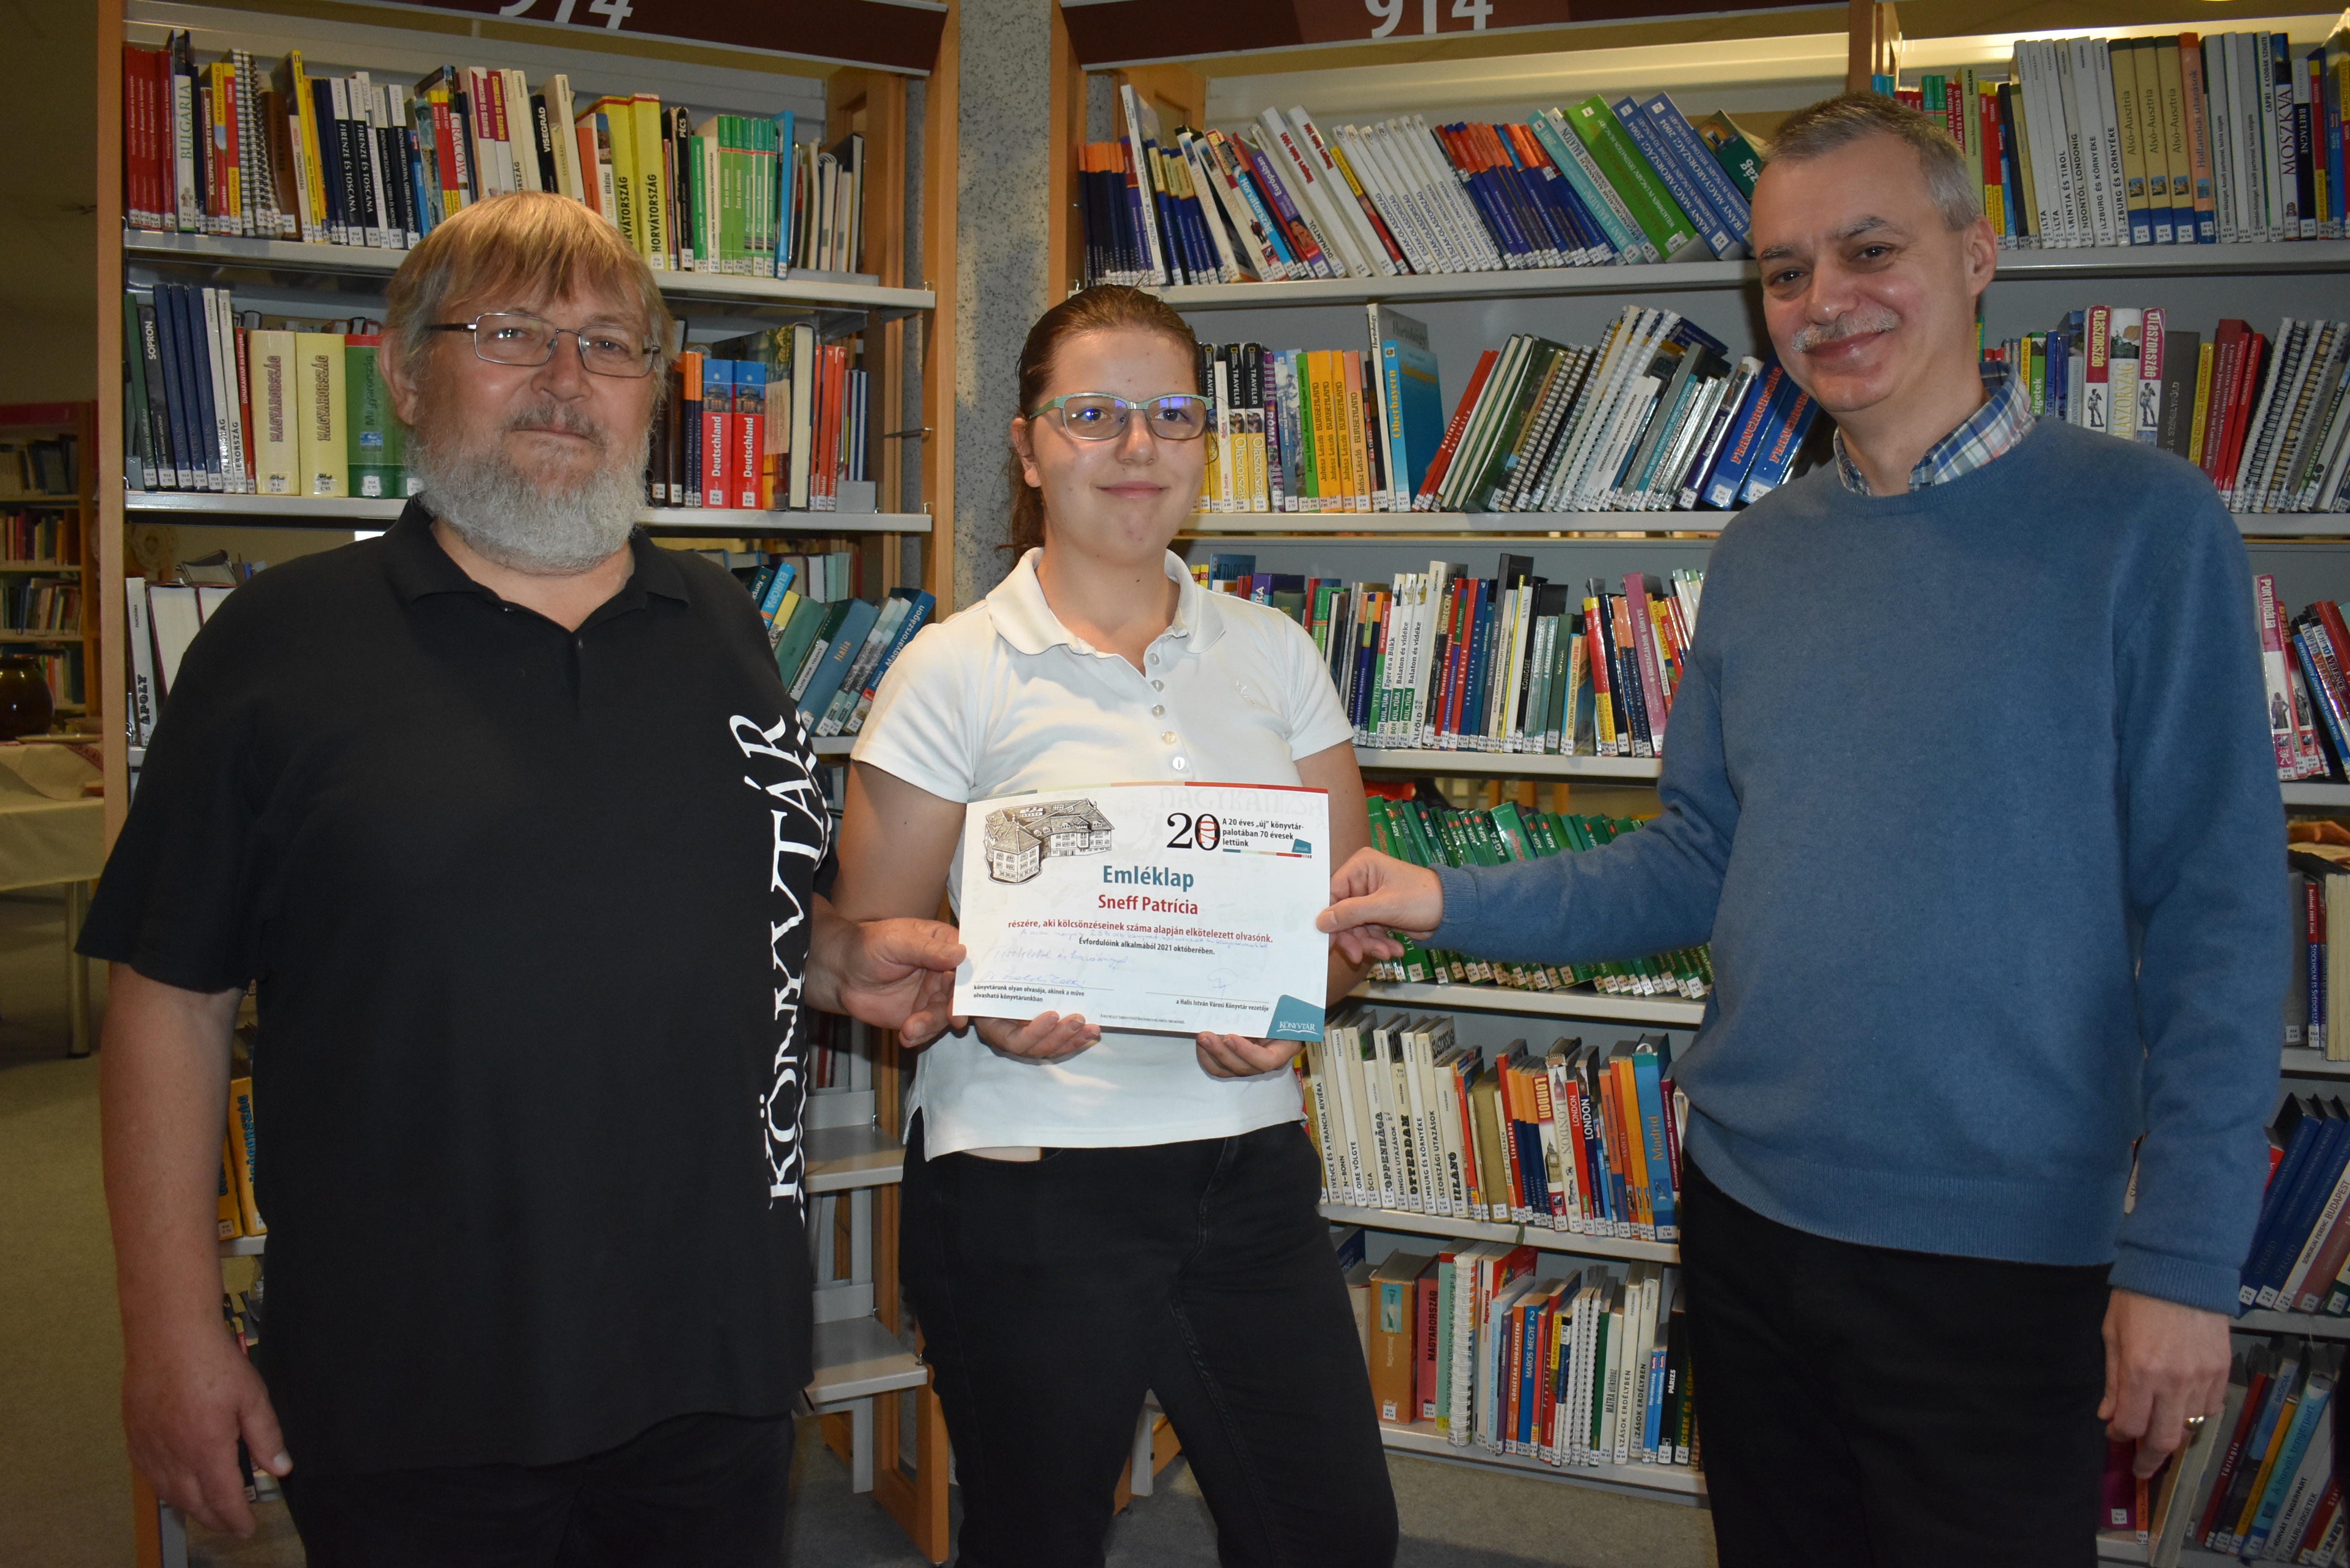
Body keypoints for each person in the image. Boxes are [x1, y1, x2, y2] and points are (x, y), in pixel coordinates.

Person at [1318, 93, 2283, 1566]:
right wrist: (1446, 897)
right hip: (1750, 1220)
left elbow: (2220, 914)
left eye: (1868, 250)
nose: (1824, 300)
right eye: (1784, 270)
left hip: (2000, 1255)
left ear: (1976, 255)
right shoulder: (1764, 552)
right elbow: (1697, 858)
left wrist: (2186, 1260)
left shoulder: (2144, 527)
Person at [86, 190, 964, 1567]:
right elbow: (171, 999)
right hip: (413, 1380)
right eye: (510, 334)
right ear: (404, 374)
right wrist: (170, 1329)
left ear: (652, 396)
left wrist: (841, 959)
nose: (566, 380)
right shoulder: (276, 645)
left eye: (610, 346)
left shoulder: (724, 625)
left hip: (716, 1362)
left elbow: (724, 908)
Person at [828, 284, 1399, 1567]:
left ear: (1205, 443)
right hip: (1027, 1172)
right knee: (1037, 1537)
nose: (1137, 446)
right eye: (1092, 415)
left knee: (1333, 1535)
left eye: (1171, 415)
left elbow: (1336, 937)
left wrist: (1295, 1003)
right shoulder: (954, 667)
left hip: (1246, 1158)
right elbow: (873, 948)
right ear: (1028, 450)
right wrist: (979, 1002)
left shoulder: (1275, 652)